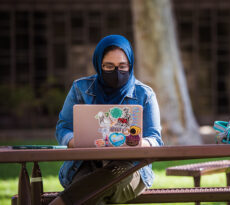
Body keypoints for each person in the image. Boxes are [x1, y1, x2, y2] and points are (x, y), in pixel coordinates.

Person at [50, 35, 164, 205]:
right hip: (85, 165)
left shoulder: (145, 94)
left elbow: (155, 139)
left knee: (110, 177)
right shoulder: (80, 89)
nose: (117, 72)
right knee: (96, 194)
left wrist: (135, 142)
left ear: (130, 65)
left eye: (122, 66)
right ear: (98, 64)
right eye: (109, 66)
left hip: (130, 168)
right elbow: (63, 128)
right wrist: (79, 142)